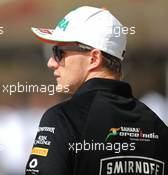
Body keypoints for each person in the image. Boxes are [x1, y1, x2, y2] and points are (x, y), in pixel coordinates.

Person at [25, 6, 168, 175]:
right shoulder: (156, 124)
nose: (51, 62)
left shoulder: (63, 118)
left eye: (58, 52)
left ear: (93, 58)